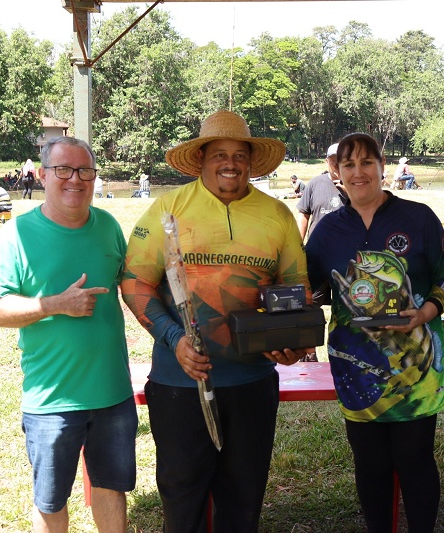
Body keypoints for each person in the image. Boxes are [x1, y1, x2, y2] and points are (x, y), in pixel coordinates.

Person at [121, 110, 313, 532]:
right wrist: (174, 338)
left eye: (240, 154)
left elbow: (297, 292)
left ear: (250, 161)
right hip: (179, 383)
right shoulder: (169, 208)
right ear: (202, 159)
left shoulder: (277, 216)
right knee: (181, 495)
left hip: (251, 383)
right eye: (220, 154)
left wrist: (292, 343)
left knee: (243, 498)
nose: (231, 163)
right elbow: (135, 281)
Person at [0, 136, 136, 533]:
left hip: (113, 394)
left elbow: (134, 289)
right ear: (42, 175)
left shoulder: (110, 226)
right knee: (50, 499)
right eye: (63, 169)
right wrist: (54, 304)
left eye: (85, 171)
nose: (75, 180)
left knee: (112, 488)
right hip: (51, 400)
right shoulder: (15, 236)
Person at [305, 132, 444, 532]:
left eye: (366, 163)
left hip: (417, 367)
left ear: (382, 165)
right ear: (336, 171)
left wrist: (427, 310)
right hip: (355, 366)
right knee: (369, 463)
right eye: (349, 165)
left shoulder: (418, 217)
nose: (358, 173)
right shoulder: (326, 232)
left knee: (414, 460)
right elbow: (314, 289)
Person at [296, 142, 345, 241]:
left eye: (341, 160)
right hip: (316, 247)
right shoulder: (315, 183)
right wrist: (298, 244)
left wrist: (349, 191)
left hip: (346, 248)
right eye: (333, 160)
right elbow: (303, 214)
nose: (337, 164)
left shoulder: (356, 185)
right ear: (326, 162)